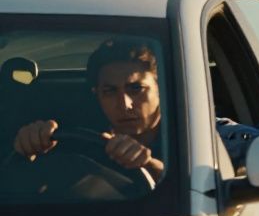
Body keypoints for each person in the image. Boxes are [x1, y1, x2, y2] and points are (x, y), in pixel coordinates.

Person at [11, 39, 165, 183]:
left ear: (160, 89)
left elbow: (185, 183)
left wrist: (151, 166)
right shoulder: (79, 137)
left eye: (136, 89)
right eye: (110, 91)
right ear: (97, 95)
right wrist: (29, 148)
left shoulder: (185, 133)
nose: (125, 104)